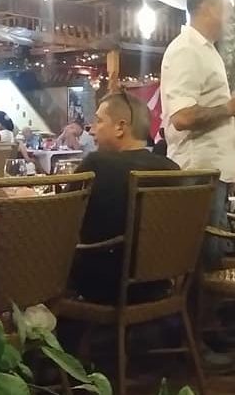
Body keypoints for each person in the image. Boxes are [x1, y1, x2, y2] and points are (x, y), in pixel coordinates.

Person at [161, 0, 235, 265]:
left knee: (212, 257)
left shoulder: (207, 50)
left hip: (211, 172)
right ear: (207, 7)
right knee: (203, 262)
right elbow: (182, 117)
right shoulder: (186, 50)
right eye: (226, 7)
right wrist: (229, 108)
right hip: (198, 172)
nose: (230, 15)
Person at [70, 93, 179, 303]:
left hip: (102, 284)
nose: (91, 129)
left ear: (120, 127)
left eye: (99, 121)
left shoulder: (96, 164)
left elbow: (59, 219)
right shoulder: (172, 169)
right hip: (159, 283)